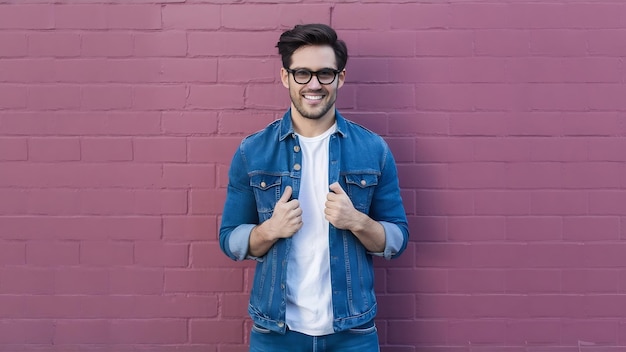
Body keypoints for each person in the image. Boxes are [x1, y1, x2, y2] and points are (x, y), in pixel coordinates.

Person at [219, 23, 409, 352]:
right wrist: (269, 231)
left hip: (353, 334)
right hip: (276, 334)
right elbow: (229, 239)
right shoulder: (253, 152)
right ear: (285, 77)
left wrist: (358, 221)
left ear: (340, 78)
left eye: (325, 74)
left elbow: (397, 239)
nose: (314, 84)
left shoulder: (373, 150)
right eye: (302, 73)